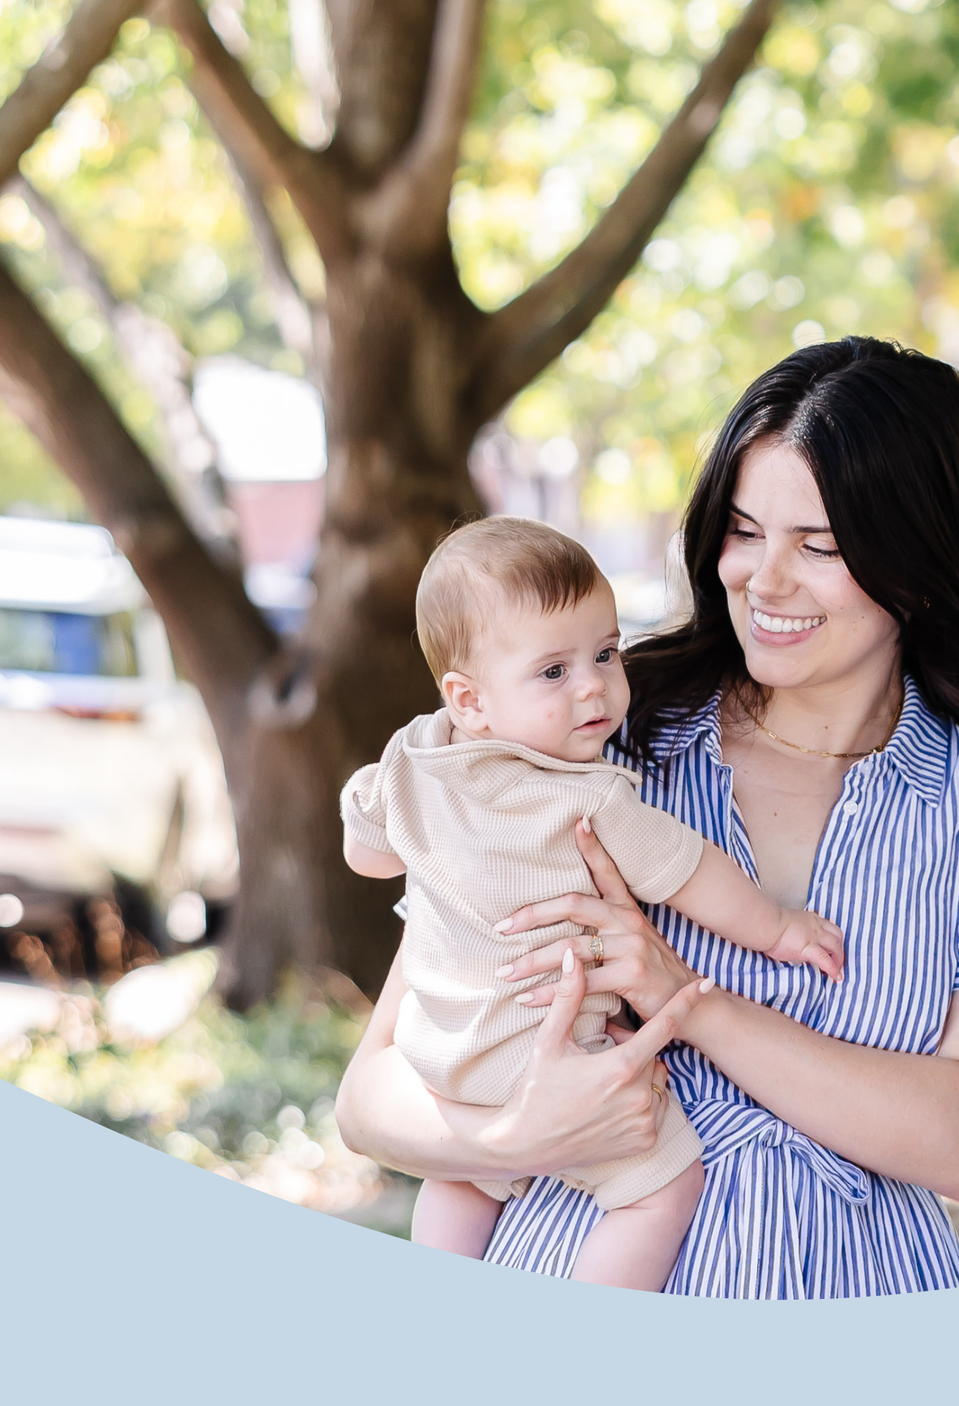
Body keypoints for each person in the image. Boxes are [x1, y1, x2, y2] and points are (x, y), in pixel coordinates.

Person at [337, 339, 959, 1298]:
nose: (765, 579)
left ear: (918, 560)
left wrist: (686, 996)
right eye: (744, 532)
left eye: (818, 547)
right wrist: (511, 1134)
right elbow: (369, 1093)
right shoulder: (592, 732)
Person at [339, 516, 845, 1291]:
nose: (594, 687)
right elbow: (691, 874)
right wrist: (778, 927)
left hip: (439, 1060)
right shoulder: (589, 796)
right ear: (470, 701)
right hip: (552, 1061)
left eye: (606, 654)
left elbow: (365, 855)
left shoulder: (414, 759)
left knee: (459, 1182)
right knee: (664, 1187)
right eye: (553, 673)